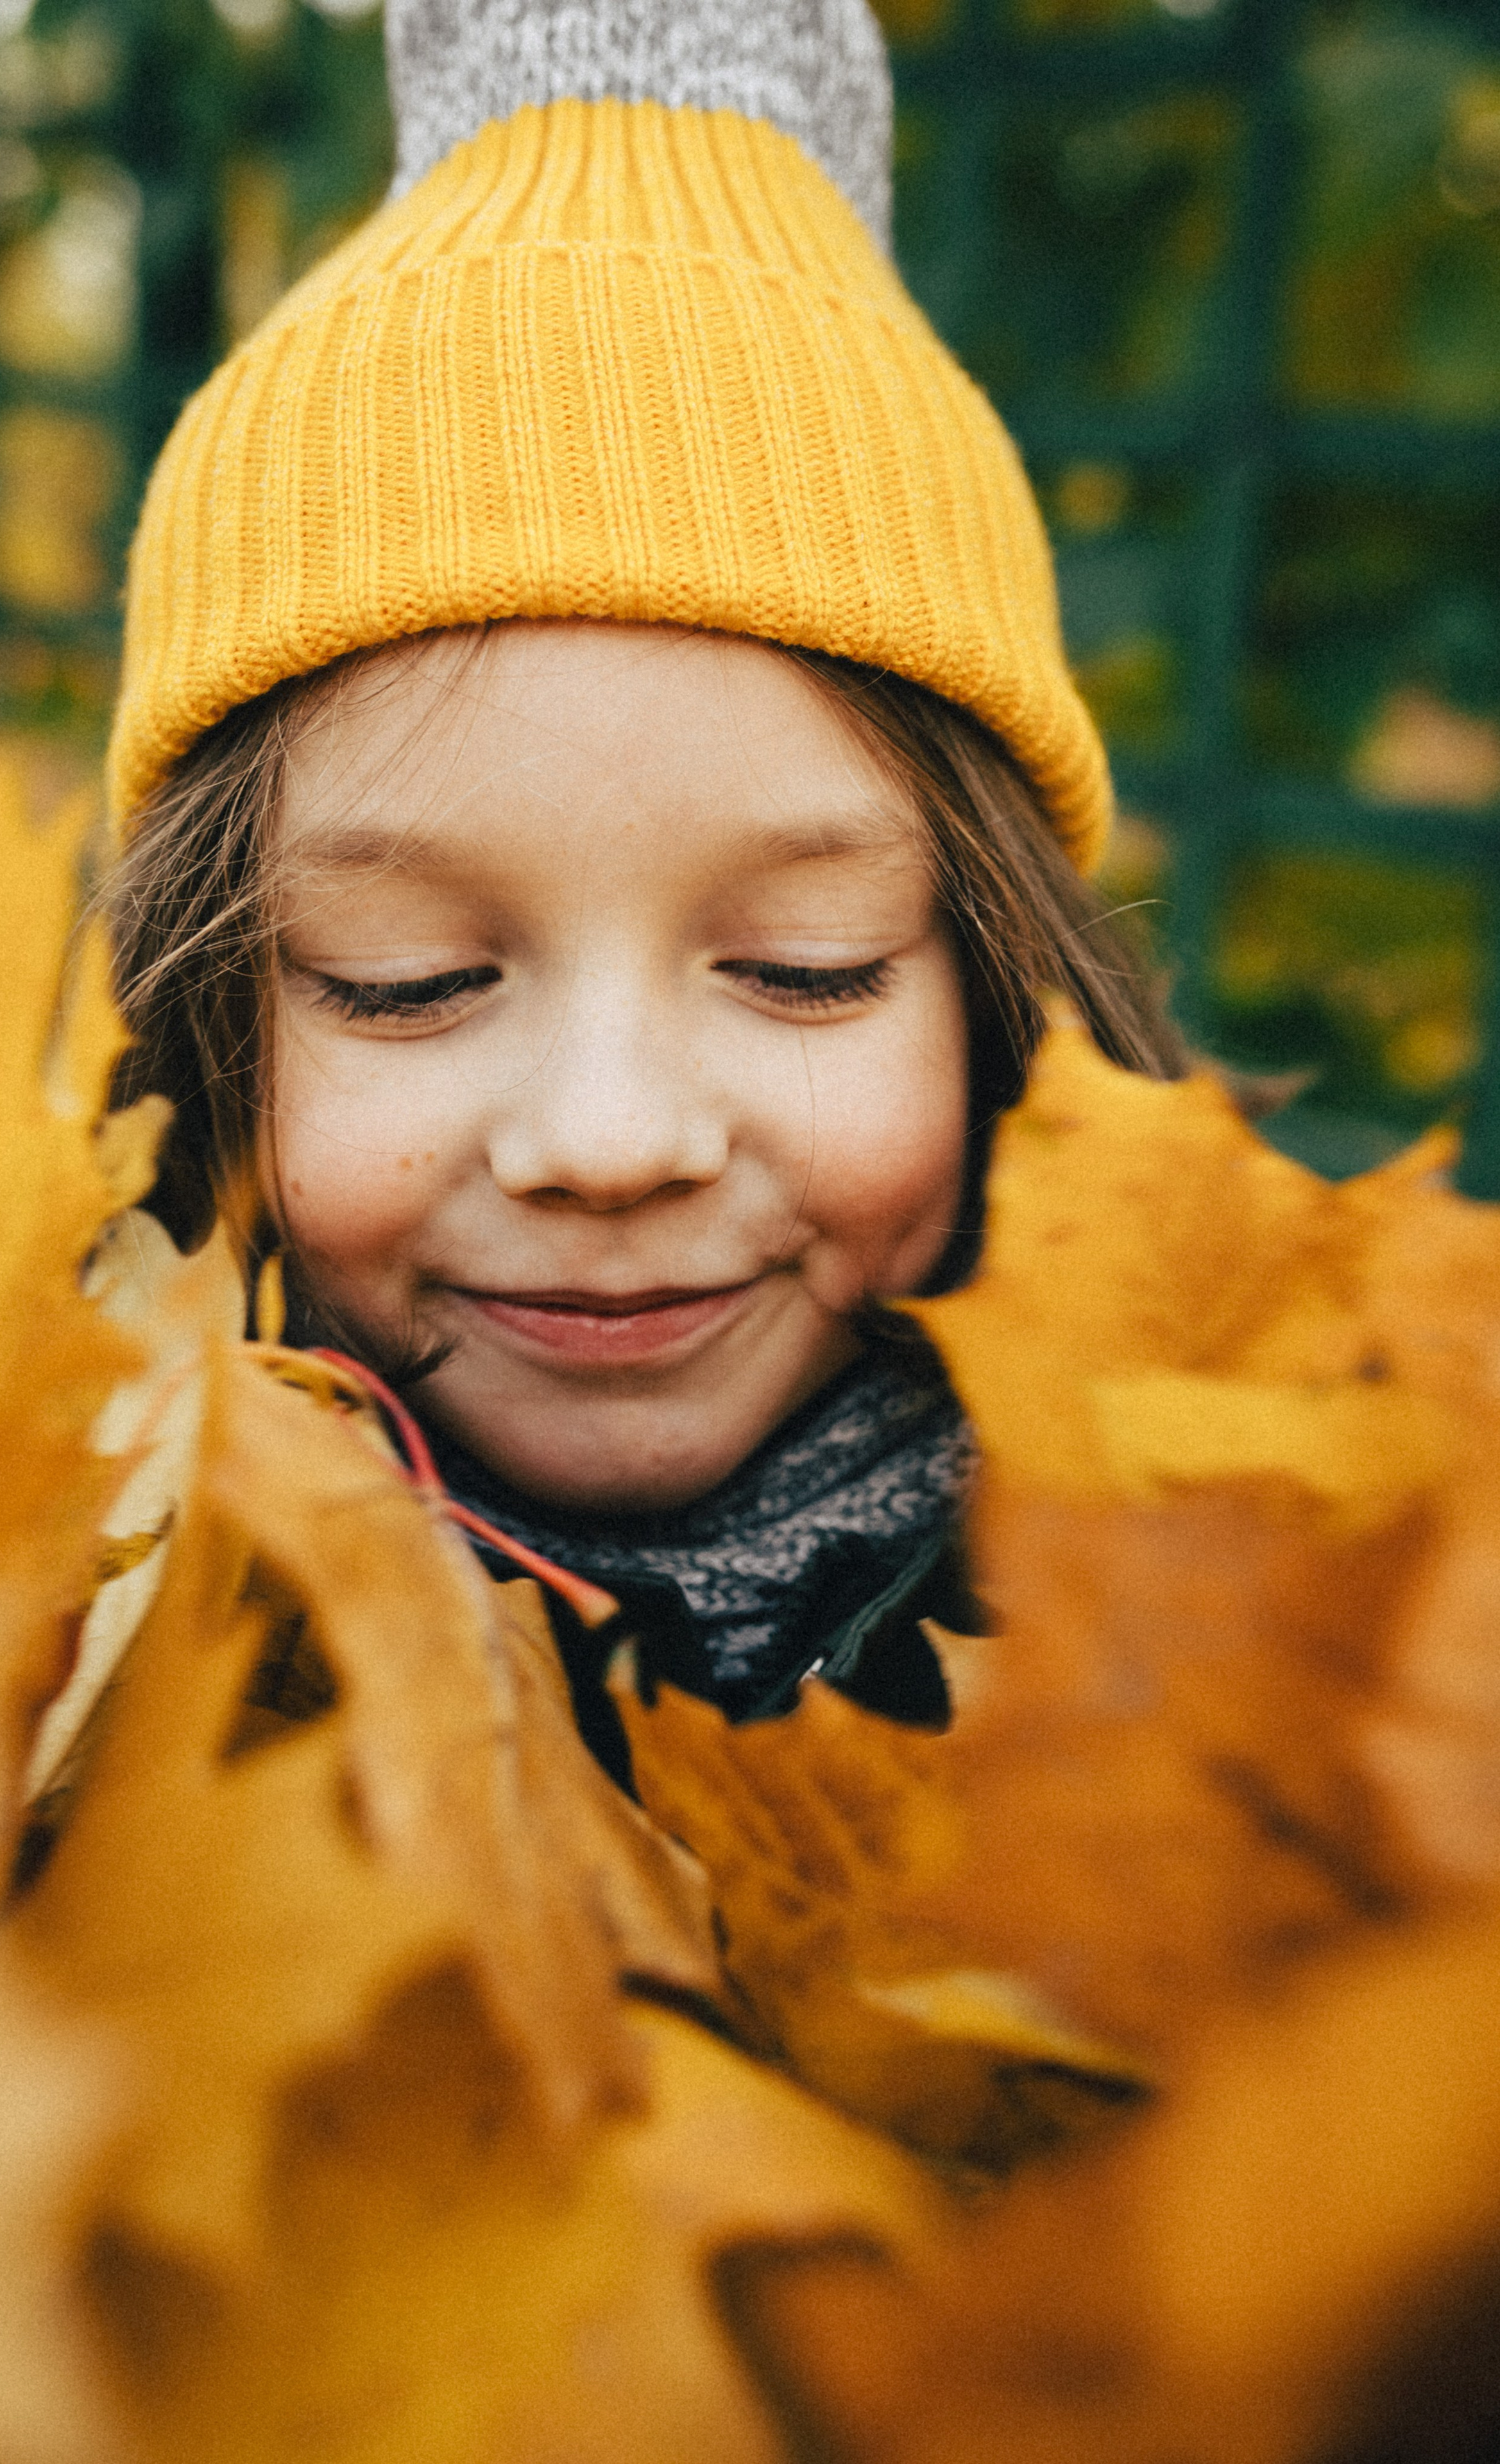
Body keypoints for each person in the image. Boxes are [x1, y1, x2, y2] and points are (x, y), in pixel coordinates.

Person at [101, 0, 1182, 1784]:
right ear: (212, 1009)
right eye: (406, 979)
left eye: (802, 966)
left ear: (1003, 990)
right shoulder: (3, 1626)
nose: (609, 1142)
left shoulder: (1316, 1622)